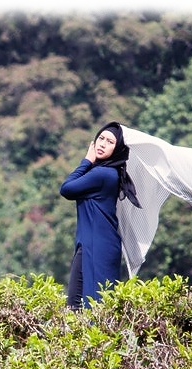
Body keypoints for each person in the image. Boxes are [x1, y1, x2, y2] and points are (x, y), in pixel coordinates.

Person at [60, 121, 141, 310]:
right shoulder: (106, 172)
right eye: (101, 138)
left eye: (110, 142)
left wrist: (86, 161)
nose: (102, 144)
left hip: (98, 246)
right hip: (91, 243)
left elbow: (66, 189)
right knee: (76, 305)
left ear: (118, 148)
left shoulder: (104, 174)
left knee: (92, 307)